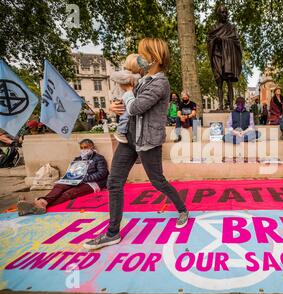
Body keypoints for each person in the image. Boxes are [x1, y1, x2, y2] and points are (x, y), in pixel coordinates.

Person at [84, 38, 189, 250]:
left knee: (157, 181)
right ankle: (113, 232)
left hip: (148, 141)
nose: (139, 58)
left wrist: (127, 96)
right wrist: (116, 107)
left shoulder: (161, 82)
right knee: (114, 182)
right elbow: (127, 106)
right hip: (128, 138)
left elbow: (136, 107)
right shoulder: (141, 80)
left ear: (155, 58)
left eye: (143, 54)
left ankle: (182, 209)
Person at [17, 139, 108, 216]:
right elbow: (71, 172)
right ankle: (41, 203)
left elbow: (102, 173)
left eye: (86, 147)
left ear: (92, 147)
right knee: (59, 185)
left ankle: (36, 204)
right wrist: (68, 177)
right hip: (76, 180)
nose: (84, 150)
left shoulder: (98, 158)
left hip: (92, 183)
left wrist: (84, 179)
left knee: (70, 193)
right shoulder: (77, 159)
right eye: (82, 148)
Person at [110, 54, 143, 143]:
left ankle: (121, 131)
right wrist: (131, 77)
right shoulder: (131, 75)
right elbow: (113, 76)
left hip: (123, 98)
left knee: (125, 115)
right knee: (126, 116)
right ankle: (120, 131)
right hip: (122, 99)